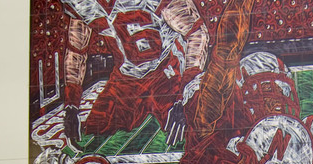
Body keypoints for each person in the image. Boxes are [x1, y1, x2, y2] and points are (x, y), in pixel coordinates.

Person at [60, 0, 209, 145]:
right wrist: (71, 104)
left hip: (167, 71)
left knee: (190, 134)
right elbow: (76, 50)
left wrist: (186, 94)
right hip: (125, 78)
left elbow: (197, 33)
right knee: (94, 133)